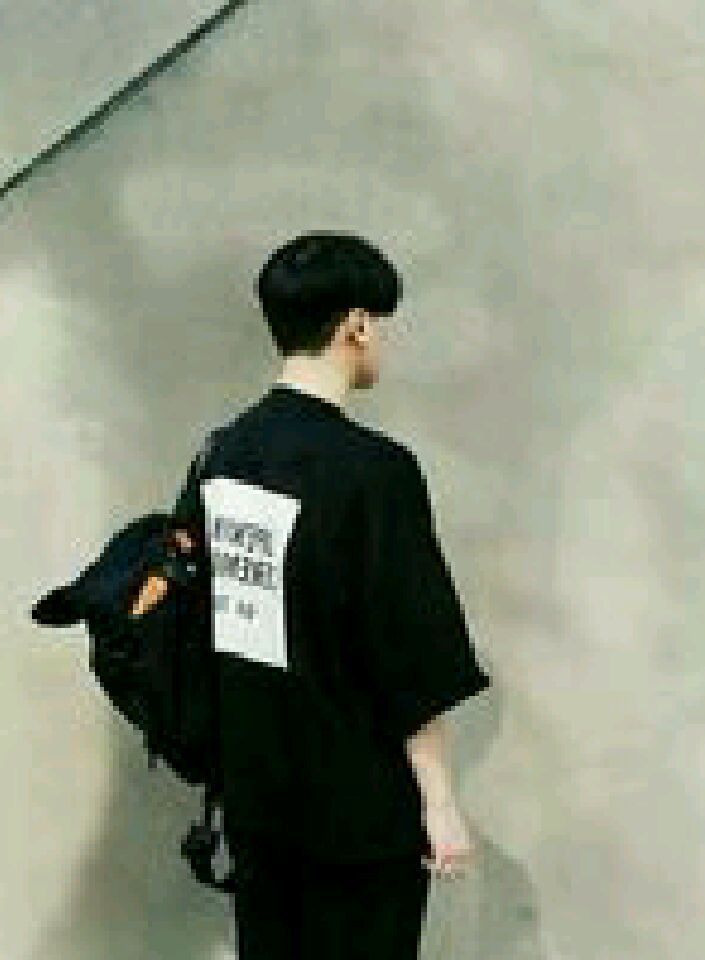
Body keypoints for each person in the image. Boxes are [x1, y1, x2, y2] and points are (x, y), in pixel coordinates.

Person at [166, 230, 490, 959]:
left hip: (257, 806)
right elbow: (411, 656)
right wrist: (440, 804)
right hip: (356, 819)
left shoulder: (223, 454)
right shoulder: (374, 473)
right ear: (357, 325)